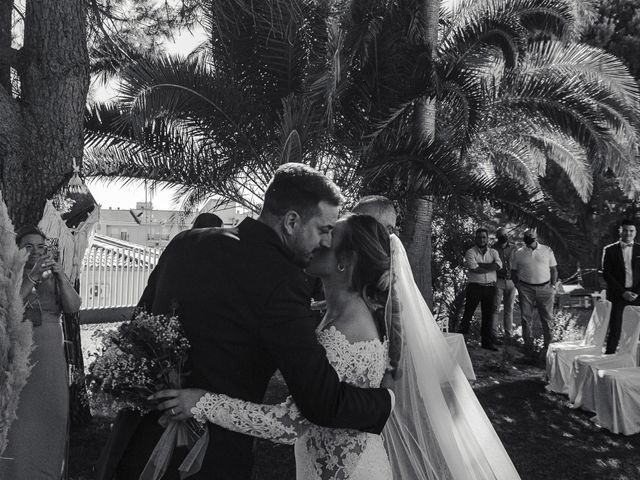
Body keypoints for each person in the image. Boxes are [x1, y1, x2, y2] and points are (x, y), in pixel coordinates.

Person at [151, 214, 522, 480]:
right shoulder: (338, 315)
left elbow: (287, 424)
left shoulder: (345, 333)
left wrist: (201, 401)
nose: (318, 241)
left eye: (329, 237)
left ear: (344, 262)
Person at [98, 163, 393, 480]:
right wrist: (385, 401)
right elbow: (320, 400)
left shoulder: (184, 243)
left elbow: (136, 332)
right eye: (323, 230)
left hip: (139, 440)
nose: (325, 242)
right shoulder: (281, 281)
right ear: (291, 221)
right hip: (208, 459)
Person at [0, 225, 81, 480]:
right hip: (18, 352)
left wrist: (61, 277)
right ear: (18, 249)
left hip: (50, 356)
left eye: (41, 247)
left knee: (52, 414)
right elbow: (10, 306)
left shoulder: (54, 275)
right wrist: (31, 277)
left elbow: (72, 307)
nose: (36, 252)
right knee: (19, 417)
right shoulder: (9, 273)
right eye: (28, 246)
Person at [511, 229, 558, 352]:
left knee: (547, 318)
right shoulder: (519, 253)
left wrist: (553, 286)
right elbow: (513, 271)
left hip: (545, 288)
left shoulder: (547, 250)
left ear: (536, 237)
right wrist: (518, 286)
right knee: (526, 318)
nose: (528, 238)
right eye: (526, 236)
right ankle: (528, 346)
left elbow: (553, 269)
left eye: (531, 236)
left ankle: (548, 347)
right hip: (526, 289)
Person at [458, 228, 502, 350]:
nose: (481, 239)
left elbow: (498, 265)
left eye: (484, 237)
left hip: (490, 288)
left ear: (487, 239)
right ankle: (462, 342)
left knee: (488, 316)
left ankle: (486, 343)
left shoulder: (494, 252)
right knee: (468, 314)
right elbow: (473, 268)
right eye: (479, 237)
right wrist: (490, 266)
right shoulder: (470, 252)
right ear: (475, 238)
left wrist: (480, 266)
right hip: (475, 288)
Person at [601, 219, 640, 354]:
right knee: (615, 329)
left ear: (635, 232)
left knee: (637, 329)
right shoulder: (609, 250)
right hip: (618, 295)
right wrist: (623, 292)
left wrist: (636, 293)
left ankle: (635, 362)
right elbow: (607, 274)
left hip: (638, 295)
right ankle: (608, 360)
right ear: (620, 231)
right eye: (625, 230)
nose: (628, 233)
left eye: (631, 231)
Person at [492, 227, 517, 341]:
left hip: (511, 282)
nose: (504, 236)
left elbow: (517, 264)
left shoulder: (513, 248)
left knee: (509, 309)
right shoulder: (493, 249)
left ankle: (509, 335)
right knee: (495, 308)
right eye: (501, 235)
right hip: (498, 281)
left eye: (506, 234)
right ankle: (494, 334)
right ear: (497, 236)